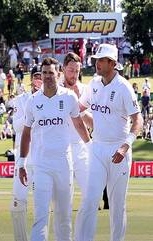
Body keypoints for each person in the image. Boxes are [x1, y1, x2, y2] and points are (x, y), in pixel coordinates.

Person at [74, 43, 143, 241]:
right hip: (97, 148)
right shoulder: (93, 83)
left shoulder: (124, 87)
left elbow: (138, 120)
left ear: (112, 63)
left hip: (119, 151)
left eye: (102, 60)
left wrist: (126, 145)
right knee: (89, 200)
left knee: (117, 205)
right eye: (96, 59)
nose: (97, 63)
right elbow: (79, 107)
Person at [18, 57, 91, 241]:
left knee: (63, 217)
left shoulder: (68, 97)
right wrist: (21, 162)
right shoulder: (33, 101)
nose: (48, 76)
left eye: (51, 72)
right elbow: (26, 134)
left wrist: (91, 148)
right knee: (41, 215)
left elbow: (79, 125)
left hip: (64, 165)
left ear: (58, 74)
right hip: (41, 165)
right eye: (45, 73)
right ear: (40, 76)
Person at [10, 71, 42, 241]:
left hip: (41, 156)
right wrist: (33, 108)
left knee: (40, 203)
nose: (38, 81)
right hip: (23, 157)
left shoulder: (48, 100)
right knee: (17, 202)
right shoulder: (21, 100)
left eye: (41, 78)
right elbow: (16, 127)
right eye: (36, 77)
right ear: (31, 81)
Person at [61, 52, 91, 196]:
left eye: (77, 71)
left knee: (91, 194)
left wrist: (79, 104)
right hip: (60, 149)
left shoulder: (85, 90)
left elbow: (92, 124)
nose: (74, 75)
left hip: (81, 147)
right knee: (64, 198)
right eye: (71, 71)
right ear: (63, 69)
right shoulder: (54, 91)